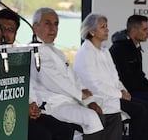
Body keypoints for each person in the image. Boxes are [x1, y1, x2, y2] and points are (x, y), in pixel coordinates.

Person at [0, 8, 74, 140]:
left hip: (19, 111)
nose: (5, 33)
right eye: (0, 28)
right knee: (41, 135)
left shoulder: (16, 52)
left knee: (64, 130)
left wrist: (32, 104)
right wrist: (23, 109)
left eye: (10, 30)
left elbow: (25, 83)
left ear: (15, 34)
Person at [30, 7, 108, 140]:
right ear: (35, 27)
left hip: (69, 101)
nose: (53, 29)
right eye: (47, 23)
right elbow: (55, 81)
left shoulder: (57, 52)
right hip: (52, 105)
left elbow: (74, 78)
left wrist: (89, 100)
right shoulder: (34, 52)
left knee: (101, 112)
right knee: (91, 118)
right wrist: (81, 96)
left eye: (56, 24)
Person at [74, 13, 148, 139]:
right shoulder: (86, 53)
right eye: (103, 27)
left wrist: (123, 90)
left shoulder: (104, 51)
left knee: (144, 107)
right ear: (92, 32)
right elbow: (94, 85)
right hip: (98, 101)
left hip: (112, 99)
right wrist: (120, 94)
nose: (107, 29)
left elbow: (115, 77)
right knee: (140, 110)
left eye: (106, 26)